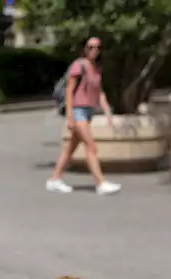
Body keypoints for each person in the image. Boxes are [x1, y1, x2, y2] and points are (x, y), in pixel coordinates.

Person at [47, 37, 120, 195]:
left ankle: (54, 179)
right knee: (91, 146)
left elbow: (99, 92)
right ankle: (100, 183)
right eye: (90, 47)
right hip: (78, 110)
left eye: (97, 47)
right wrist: (70, 116)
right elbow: (69, 92)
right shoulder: (78, 65)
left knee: (70, 149)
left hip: (88, 111)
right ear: (84, 48)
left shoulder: (96, 68)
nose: (94, 50)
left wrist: (108, 112)